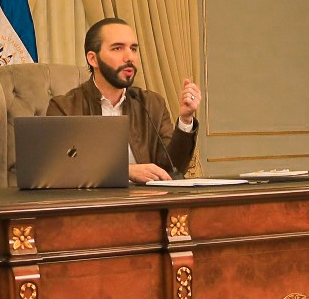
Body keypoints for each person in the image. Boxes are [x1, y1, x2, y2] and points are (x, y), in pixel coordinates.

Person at [46, 17, 200, 183]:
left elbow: (172, 168)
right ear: (93, 59)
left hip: (146, 198)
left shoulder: (152, 104)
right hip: (92, 199)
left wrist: (185, 119)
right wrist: (126, 171)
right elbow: (63, 168)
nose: (129, 57)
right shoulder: (64, 107)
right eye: (117, 48)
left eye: (133, 49)